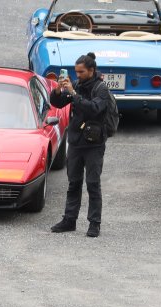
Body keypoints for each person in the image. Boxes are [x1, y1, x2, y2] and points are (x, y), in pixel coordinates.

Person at [49, 54, 115, 237]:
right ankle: (69, 220)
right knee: (73, 183)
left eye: (81, 72)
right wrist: (58, 90)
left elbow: (94, 109)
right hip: (76, 142)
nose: (77, 75)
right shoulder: (76, 85)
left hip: (94, 144)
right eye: (76, 72)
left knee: (93, 184)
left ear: (91, 71)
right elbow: (57, 103)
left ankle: (94, 223)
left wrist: (74, 94)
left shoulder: (101, 89)